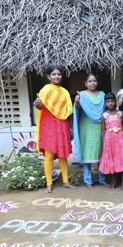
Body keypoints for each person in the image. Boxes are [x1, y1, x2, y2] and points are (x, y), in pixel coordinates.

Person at [34, 65, 73, 193]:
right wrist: (38, 104)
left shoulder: (65, 92)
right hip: (49, 125)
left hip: (62, 124)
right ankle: (49, 183)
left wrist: (71, 128)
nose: (57, 76)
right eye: (54, 74)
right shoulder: (45, 90)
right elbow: (40, 106)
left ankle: (66, 181)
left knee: (62, 155)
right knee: (49, 155)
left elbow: (68, 110)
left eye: (59, 74)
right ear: (48, 76)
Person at [73, 73, 106, 188]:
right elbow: (76, 110)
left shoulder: (102, 95)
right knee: (87, 153)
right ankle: (88, 180)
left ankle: (102, 178)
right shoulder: (81, 95)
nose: (93, 83)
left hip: (99, 127)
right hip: (86, 127)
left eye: (95, 81)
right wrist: (76, 102)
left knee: (100, 153)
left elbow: (106, 110)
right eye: (90, 81)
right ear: (85, 83)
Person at [99, 93, 123, 188]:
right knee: (112, 160)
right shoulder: (104, 115)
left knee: (122, 159)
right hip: (109, 141)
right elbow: (103, 131)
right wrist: (104, 145)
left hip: (120, 139)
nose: (110, 103)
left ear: (115, 102)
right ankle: (114, 180)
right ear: (105, 103)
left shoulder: (120, 113)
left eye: (112, 101)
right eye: (108, 102)